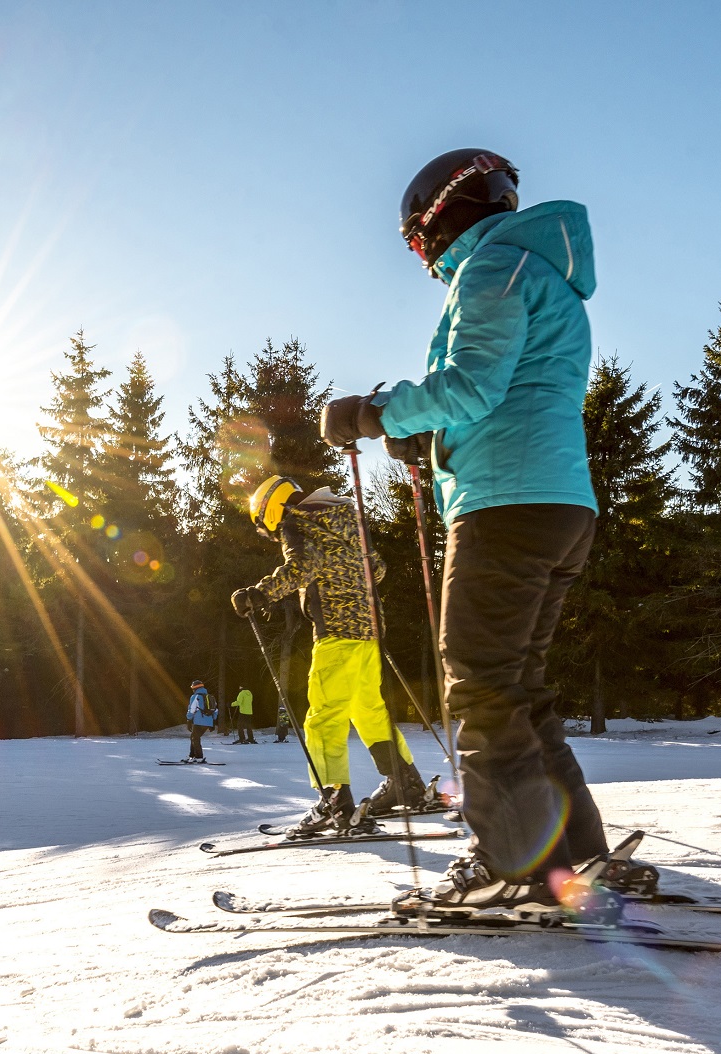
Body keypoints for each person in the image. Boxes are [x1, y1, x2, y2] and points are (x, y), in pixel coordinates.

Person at [319, 148, 618, 913]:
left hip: (506, 507)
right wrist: (421, 430)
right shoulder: (540, 272)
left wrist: (373, 412)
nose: (423, 262)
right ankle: (573, 852)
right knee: (519, 690)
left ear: (440, 216)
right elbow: (506, 387)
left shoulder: (493, 270)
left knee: (482, 686)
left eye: (417, 243)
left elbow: (475, 386)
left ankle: (512, 860)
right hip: (555, 502)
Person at [232, 475, 425, 835]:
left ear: (272, 511)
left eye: (269, 529)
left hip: (336, 632)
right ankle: (405, 783)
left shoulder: (297, 523)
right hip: (369, 632)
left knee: (322, 719)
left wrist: (259, 594)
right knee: (367, 709)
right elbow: (377, 569)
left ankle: (334, 802)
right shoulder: (347, 518)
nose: (275, 536)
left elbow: (303, 567)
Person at [185, 681, 215, 763]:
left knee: (195, 738)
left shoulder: (195, 696)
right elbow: (215, 710)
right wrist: (212, 722)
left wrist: (189, 719)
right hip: (208, 722)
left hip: (199, 721)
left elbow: (191, 710)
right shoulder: (209, 696)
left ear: (195, 688)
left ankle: (198, 757)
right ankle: (192, 756)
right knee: (194, 737)